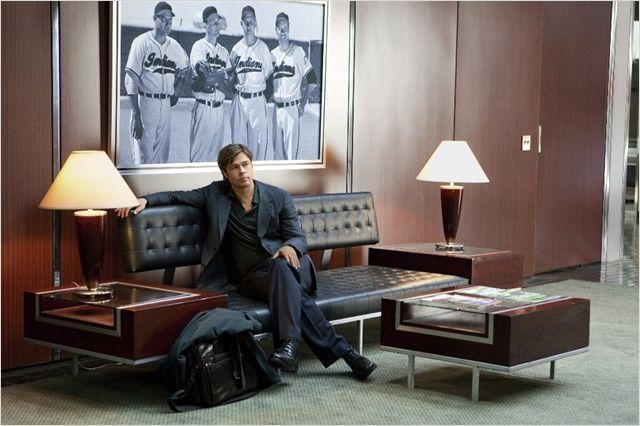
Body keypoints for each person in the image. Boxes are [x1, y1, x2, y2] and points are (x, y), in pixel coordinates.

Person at [116, 143, 377, 380]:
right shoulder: (215, 195)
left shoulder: (278, 197)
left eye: (245, 164)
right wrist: (145, 200)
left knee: (281, 269)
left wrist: (289, 246)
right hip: (253, 279)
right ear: (225, 173)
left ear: (252, 166)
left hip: (294, 269)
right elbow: (177, 196)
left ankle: (290, 344)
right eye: (235, 167)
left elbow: (298, 236)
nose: (242, 171)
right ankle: (345, 353)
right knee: (291, 293)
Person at [124, 1, 189, 164]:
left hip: (165, 106)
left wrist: (177, 90)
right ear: (155, 19)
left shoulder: (174, 46)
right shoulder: (141, 42)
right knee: (143, 159)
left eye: (170, 18)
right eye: (163, 18)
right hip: (146, 104)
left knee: (161, 160)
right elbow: (131, 80)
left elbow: (186, 68)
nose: (168, 22)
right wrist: (136, 115)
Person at [228, 6, 274, 161]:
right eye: (245, 21)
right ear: (241, 24)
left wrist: (261, 98)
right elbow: (231, 78)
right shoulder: (235, 49)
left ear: (256, 23)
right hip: (239, 100)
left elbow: (268, 76)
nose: (248, 25)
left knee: (258, 147)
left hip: (257, 100)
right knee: (237, 148)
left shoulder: (263, 48)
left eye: (251, 21)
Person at [271, 12, 318, 160]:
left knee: (291, 157)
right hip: (276, 110)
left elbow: (312, 79)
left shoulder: (297, 51)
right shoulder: (272, 55)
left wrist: (303, 103)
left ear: (289, 28)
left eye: (285, 26)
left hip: (292, 109)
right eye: (280, 27)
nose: (283, 31)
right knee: (277, 158)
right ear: (276, 30)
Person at [189, 6, 232, 163]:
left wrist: (216, 78)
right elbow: (203, 78)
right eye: (213, 22)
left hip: (219, 109)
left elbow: (230, 86)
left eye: (218, 21)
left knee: (215, 158)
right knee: (199, 157)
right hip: (204, 107)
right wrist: (220, 76)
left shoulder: (224, 52)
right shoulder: (198, 47)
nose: (217, 25)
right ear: (205, 25)